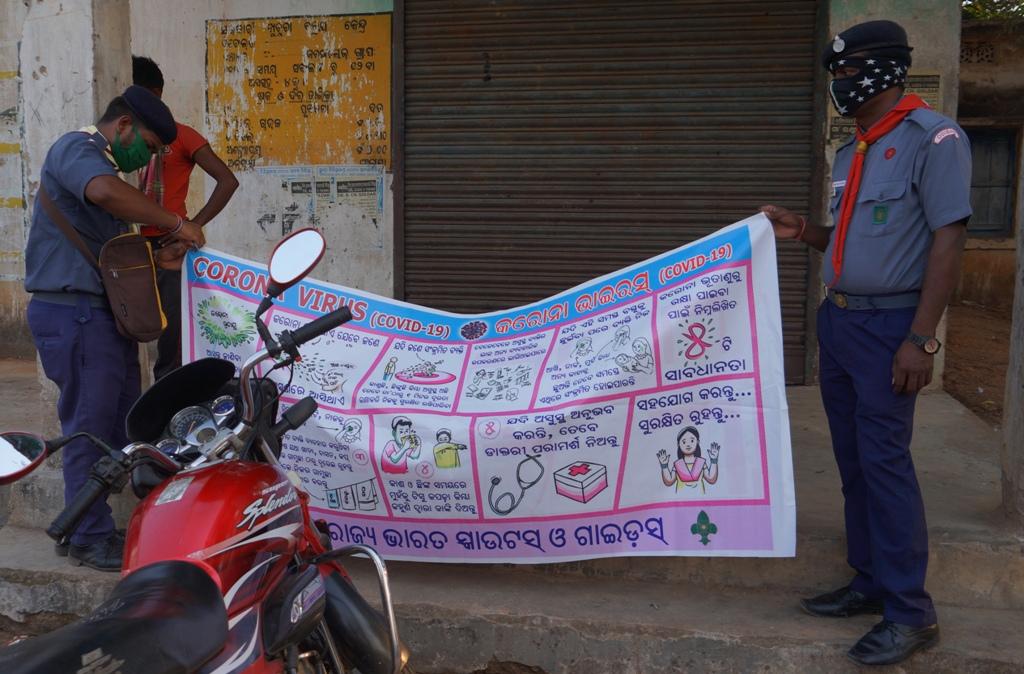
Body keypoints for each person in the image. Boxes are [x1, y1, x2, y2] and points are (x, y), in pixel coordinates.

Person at [760, 20, 971, 667]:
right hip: (841, 321)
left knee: (885, 464)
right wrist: (804, 232)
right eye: (835, 74)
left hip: (890, 329)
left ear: (883, 70)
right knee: (854, 462)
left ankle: (911, 612)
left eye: (847, 73)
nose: (839, 84)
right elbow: (854, 240)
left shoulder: (934, 138)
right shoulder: (853, 152)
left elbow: (948, 240)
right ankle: (870, 580)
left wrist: (920, 340)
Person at [24, 86, 205, 571]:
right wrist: (175, 221)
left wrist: (160, 254)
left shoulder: (100, 168)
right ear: (123, 125)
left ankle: (85, 521)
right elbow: (104, 192)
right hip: (75, 314)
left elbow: (106, 253)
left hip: (101, 317)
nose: (145, 158)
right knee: (90, 425)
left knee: (121, 421)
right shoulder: (77, 149)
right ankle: (87, 536)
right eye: (147, 146)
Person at [132, 55, 238, 381]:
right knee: (126, 326)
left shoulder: (182, 135)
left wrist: (193, 226)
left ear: (156, 93)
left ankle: (169, 402)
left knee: (173, 334)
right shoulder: (118, 138)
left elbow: (227, 181)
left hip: (170, 244)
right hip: (129, 242)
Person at [656, 426, 720, 494]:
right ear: (678, 444)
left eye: (692, 441)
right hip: (680, 500)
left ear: (697, 442)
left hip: (700, 499)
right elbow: (669, 482)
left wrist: (714, 460)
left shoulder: (701, 462)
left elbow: (711, 479)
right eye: (684, 442)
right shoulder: (678, 464)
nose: (688, 445)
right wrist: (664, 465)